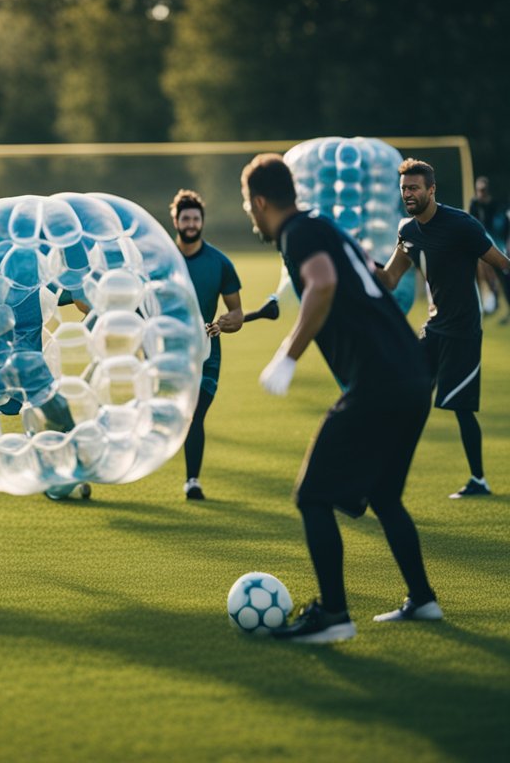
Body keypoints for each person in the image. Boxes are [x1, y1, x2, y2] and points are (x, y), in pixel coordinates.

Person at [243, 154, 441, 643]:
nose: (251, 216)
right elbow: (369, 277)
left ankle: (333, 615)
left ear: (261, 201)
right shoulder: (321, 225)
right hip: (413, 376)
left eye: (250, 206)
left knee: (312, 495)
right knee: (385, 495)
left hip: (379, 382)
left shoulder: (297, 233)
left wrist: (288, 355)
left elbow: (324, 284)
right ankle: (423, 599)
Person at [373, 160, 510, 498]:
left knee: (461, 409)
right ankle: (381, 477)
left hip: (464, 332)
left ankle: (479, 479)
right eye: (404, 188)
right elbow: (390, 278)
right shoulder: (407, 231)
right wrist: (359, 262)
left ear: (431, 190)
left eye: (414, 188)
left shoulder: (462, 225)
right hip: (434, 328)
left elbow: (503, 264)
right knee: (407, 395)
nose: (408, 193)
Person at [169, 189, 243, 500]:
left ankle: (192, 482)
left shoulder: (219, 262)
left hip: (206, 352)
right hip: (167, 351)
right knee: (173, 414)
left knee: (195, 414)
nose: (190, 223)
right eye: (185, 218)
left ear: (202, 222)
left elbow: (237, 313)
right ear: (176, 220)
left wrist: (228, 322)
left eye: (195, 218)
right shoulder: (161, 260)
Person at [468, 176, 510, 323]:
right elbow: (471, 224)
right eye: (479, 190)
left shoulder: (497, 206)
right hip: (482, 246)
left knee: (504, 278)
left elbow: (502, 228)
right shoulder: (474, 204)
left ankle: (501, 306)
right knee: (481, 277)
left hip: (498, 247)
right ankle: (488, 305)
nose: (481, 193)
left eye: (483, 190)